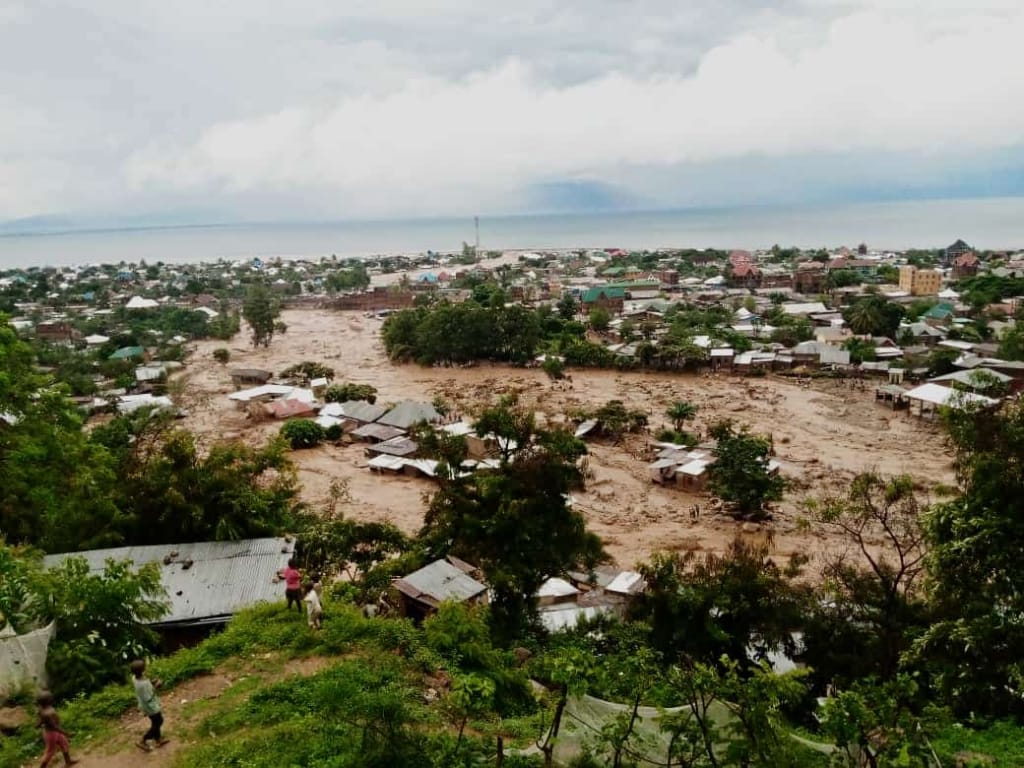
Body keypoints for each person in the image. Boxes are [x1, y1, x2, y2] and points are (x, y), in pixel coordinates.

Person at [130, 659, 169, 752]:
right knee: (159, 721)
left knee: (155, 722)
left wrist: (151, 682)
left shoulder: (135, 678)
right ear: (142, 671)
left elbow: (146, 683)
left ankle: (158, 739)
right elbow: (149, 697)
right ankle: (143, 740)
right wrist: (157, 686)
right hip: (150, 706)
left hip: (144, 704)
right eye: (145, 668)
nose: (146, 669)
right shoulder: (142, 685)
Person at [36, 691, 78, 767]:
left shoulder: (42, 709)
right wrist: (67, 733)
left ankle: (68, 762)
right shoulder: (47, 713)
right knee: (50, 752)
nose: (52, 698)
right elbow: (54, 727)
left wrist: (38, 725)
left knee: (64, 744)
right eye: (50, 697)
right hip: (51, 734)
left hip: (53, 732)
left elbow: (39, 720)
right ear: (48, 701)